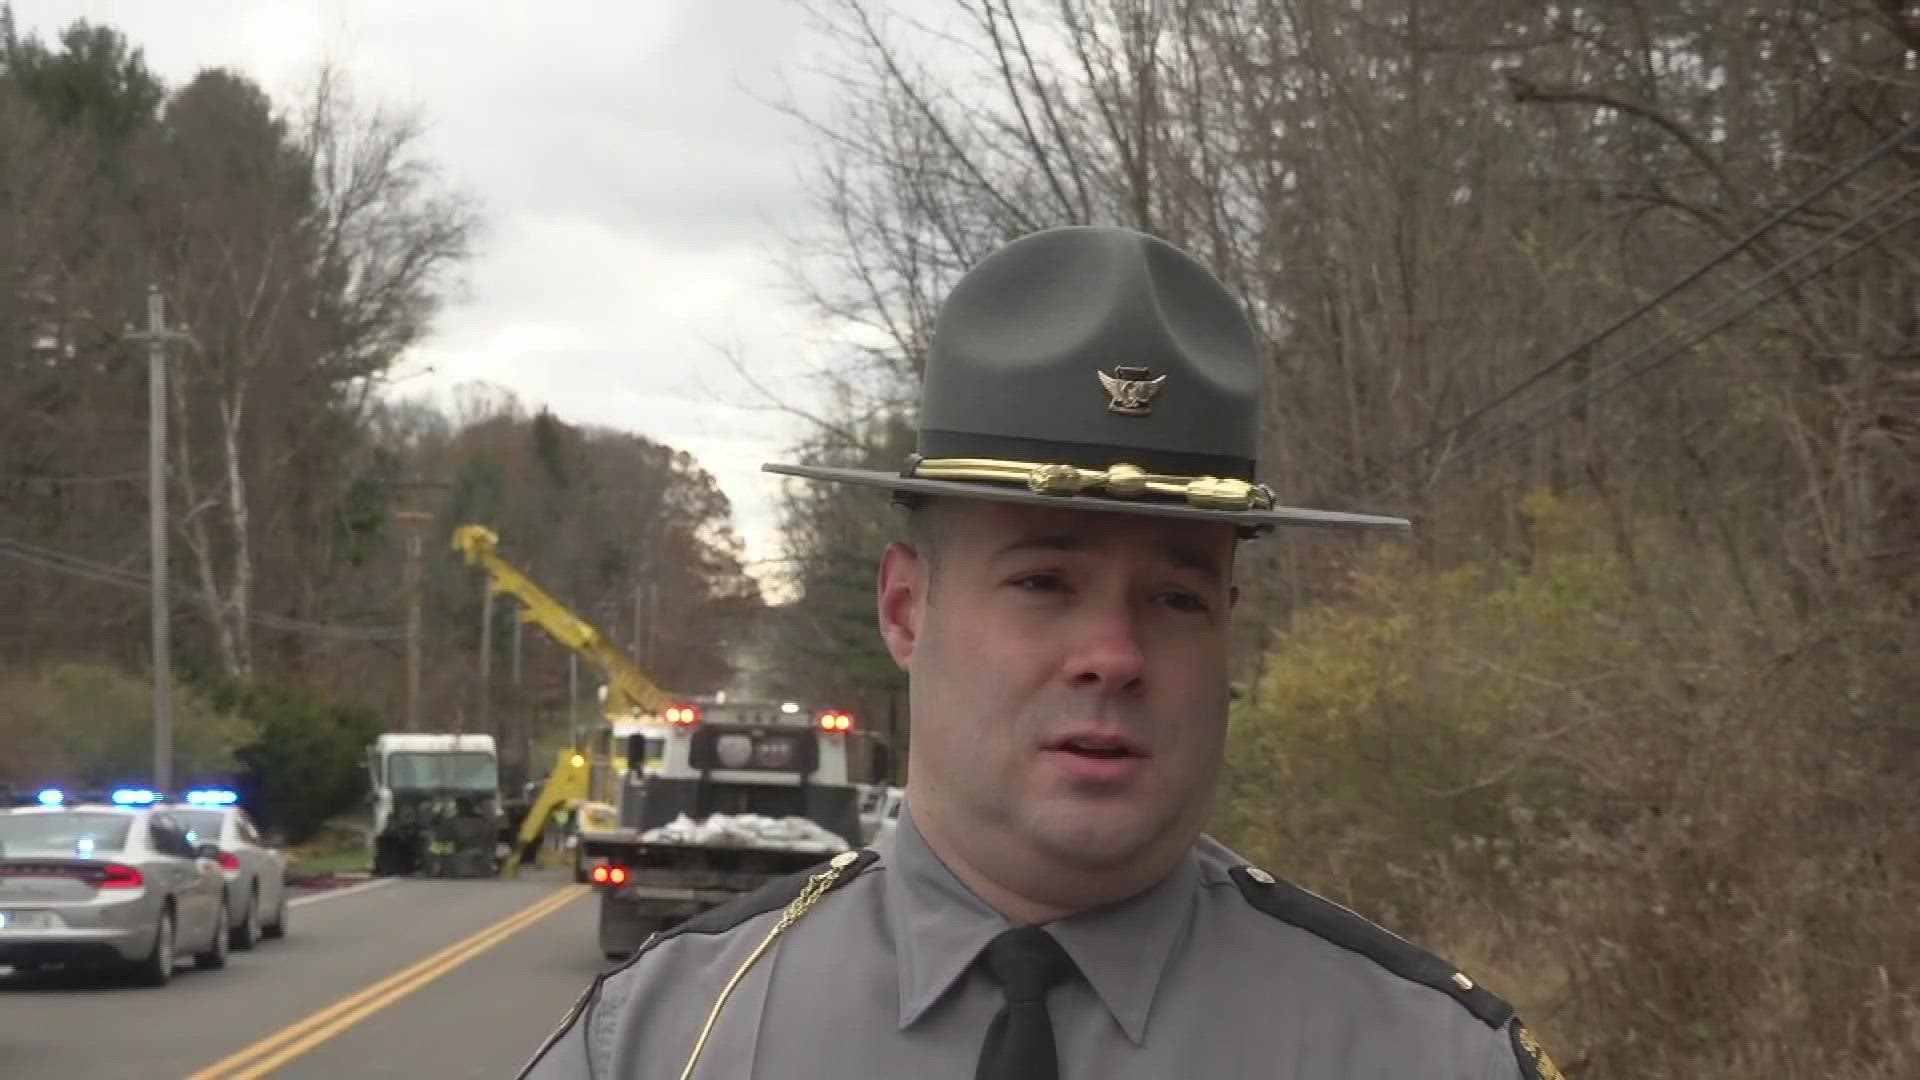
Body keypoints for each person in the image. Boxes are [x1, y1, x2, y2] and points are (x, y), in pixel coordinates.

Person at [518, 226, 1565, 1079]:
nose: (1113, 654)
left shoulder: (1421, 1056)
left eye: (1175, 595)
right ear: (904, 606)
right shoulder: (670, 1042)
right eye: (1043, 583)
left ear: (1231, 624)